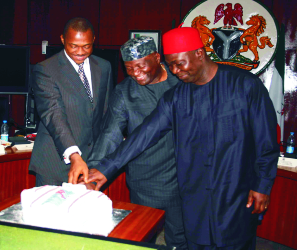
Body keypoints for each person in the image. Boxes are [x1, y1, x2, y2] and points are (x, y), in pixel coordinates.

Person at [71, 27, 279, 249]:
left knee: (236, 243)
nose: (176, 71)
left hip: (235, 191)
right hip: (194, 193)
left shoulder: (245, 85)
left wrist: (263, 185)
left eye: (180, 64)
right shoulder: (177, 96)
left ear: (199, 53)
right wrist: (105, 168)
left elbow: (265, 141)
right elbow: (144, 134)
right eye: (171, 65)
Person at [85, 36, 186, 249]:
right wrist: (94, 170)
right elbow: (110, 134)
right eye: (129, 68)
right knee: (144, 236)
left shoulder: (181, 81)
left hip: (182, 176)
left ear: (158, 58)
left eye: (141, 66)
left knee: (181, 237)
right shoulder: (125, 92)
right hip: (145, 177)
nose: (136, 73)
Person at [29, 17, 113, 186]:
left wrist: (99, 161)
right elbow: (54, 114)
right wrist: (75, 155)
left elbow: (104, 114)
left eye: (86, 46)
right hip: (55, 164)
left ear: (93, 40)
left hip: (90, 165)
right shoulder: (46, 69)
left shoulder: (104, 67)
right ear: (62, 40)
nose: (80, 52)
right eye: (73, 45)